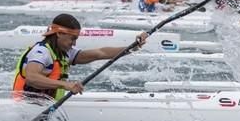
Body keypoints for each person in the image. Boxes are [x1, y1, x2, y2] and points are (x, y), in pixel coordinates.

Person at [12, 13, 148, 100]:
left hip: (44, 106)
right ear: (59, 33)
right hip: (25, 106)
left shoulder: (65, 53)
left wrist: (132, 47)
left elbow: (101, 53)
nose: (74, 43)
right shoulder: (41, 52)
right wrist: (66, 85)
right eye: (72, 38)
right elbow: (32, 78)